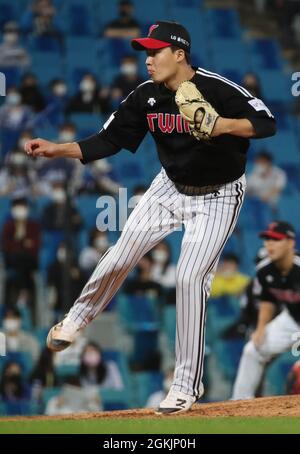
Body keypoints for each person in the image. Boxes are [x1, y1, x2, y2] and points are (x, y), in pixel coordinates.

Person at [24, 21, 276, 414]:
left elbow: (266, 123)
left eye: (155, 51)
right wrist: (57, 149)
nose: (148, 60)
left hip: (219, 196)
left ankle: (184, 386)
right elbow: (108, 140)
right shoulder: (146, 96)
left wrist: (220, 125)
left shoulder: (218, 89)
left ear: (180, 54)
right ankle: (75, 319)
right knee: (123, 250)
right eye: (145, 52)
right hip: (169, 187)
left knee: (190, 277)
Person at [232, 221, 300, 399]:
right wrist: (261, 328)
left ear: (291, 243)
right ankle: (239, 403)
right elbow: (267, 300)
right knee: (253, 350)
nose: (269, 244)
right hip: (292, 319)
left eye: (276, 240)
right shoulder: (264, 270)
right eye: (267, 239)